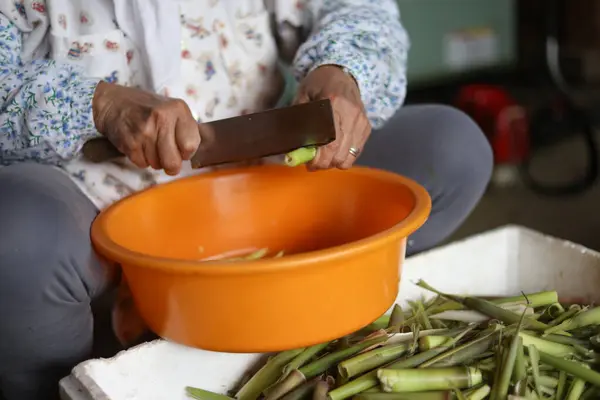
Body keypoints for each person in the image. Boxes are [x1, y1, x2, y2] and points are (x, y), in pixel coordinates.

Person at [0, 1, 492, 398]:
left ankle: (333, 342)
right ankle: (79, 380)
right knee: (16, 237)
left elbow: (357, 9)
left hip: (267, 183)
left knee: (451, 149)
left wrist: (342, 70)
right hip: (92, 213)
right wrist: (99, 105)